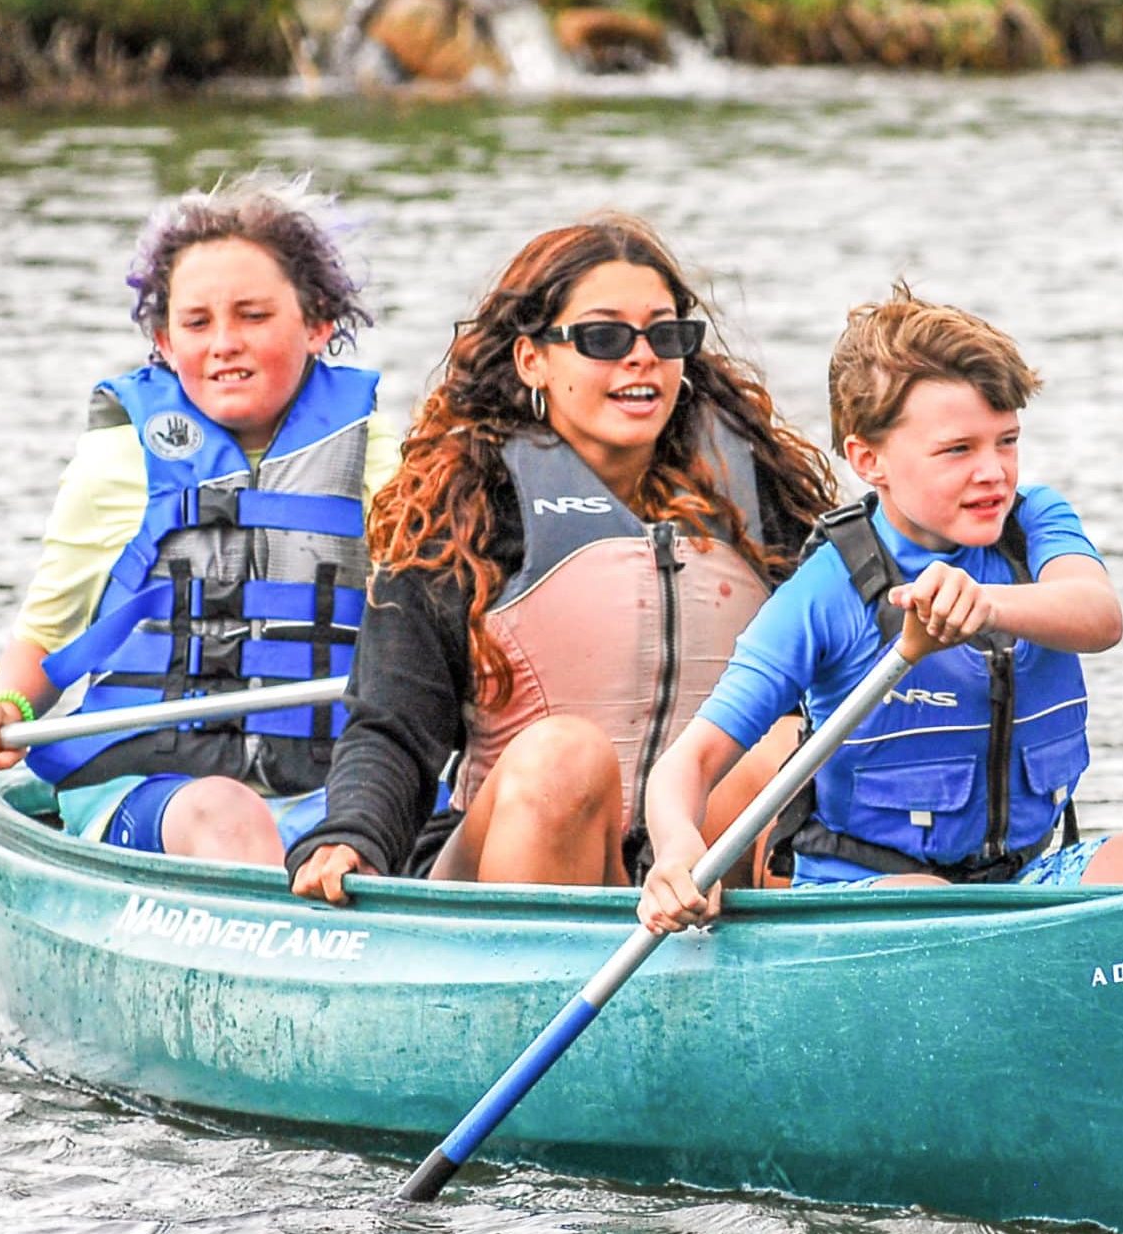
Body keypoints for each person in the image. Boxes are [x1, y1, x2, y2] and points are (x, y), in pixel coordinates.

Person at [636, 284, 1123, 934]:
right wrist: (675, 851)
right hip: (872, 897)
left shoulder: (1034, 523)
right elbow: (686, 765)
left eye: (1006, 442)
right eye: (959, 450)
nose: (994, 473)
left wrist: (986, 604)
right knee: (933, 906)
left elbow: (1099, 615)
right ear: (870, 460)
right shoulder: (825, 593)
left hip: (1026, 882)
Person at [286, 216, 837, 902]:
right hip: (509, 866)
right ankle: (523, 984)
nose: (641, 358)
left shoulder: (764, 502)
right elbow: (392, 729)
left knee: (786, 743)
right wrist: (351, 838)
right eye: (603, 337)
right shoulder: (463, 511)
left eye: (665, 336)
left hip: (702, 875)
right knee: (561, 756)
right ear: (532, 359)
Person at [0, 175, 399, 864]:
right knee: (225, 811)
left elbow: (434, 620)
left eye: (253, 316)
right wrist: (6, 710)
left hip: (329, 782)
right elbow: (48, 632)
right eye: (197, 323)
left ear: (318, 322)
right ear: (163, 340)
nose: (224, 343)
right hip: (151, 783)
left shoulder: (377, 452)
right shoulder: (118, 458)